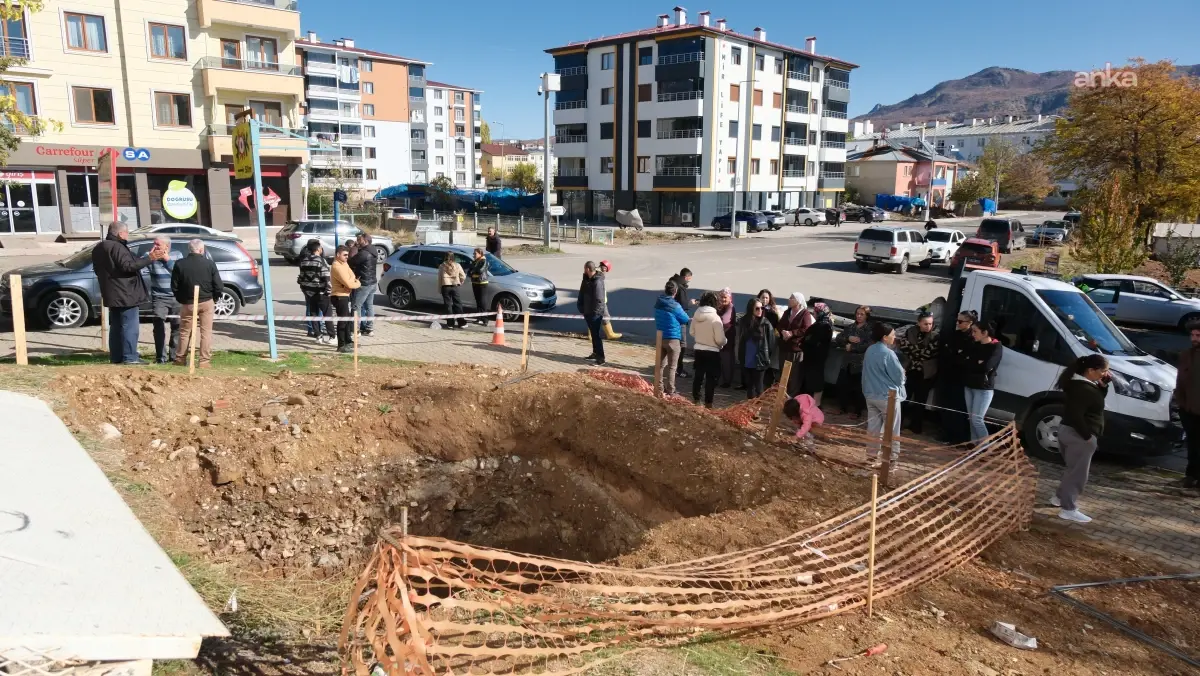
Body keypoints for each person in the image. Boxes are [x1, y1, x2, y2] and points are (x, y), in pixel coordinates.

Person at [92, 222, 164, 364]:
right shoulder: (117, 247)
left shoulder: (100, 247)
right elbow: (128, 266)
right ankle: (130, 357)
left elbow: (100, 268)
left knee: (116, 326)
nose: (127, 235)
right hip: (126, 293)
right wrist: (151, 258)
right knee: (130, 326)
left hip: (112, 293)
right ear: (120, 233)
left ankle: (116, 357)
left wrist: (147, 257)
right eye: (126, 232)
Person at [1053, 354, 1111, 523]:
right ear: (1091, 370)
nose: (1105, 374)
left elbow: (1094, 402)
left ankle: (1059, 498)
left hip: (1068, 431)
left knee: (1072, 469)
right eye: (1103, 371)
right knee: (1077, 475)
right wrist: (1087, 437)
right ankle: (1068, 509)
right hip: (1078, 436)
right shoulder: (1083, 389)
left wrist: (1103, 387)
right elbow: (1076, 414)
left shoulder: (1079, 385)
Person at [170, 239, 223, 368]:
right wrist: (214, 298)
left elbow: (174, 286)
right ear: (201, 250)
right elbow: (219, 286)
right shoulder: (209, 264)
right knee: (206, 332)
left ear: (189, 250)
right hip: (206, 301)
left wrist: (181, 299)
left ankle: (180, 359)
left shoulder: (179, 264)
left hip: (188, 303)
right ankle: (204, 361)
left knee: (184, 332)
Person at [862, 322, 905, 462]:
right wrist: (903, 376)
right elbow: (898, 377)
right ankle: (891, 459)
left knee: (873, 429)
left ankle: (871, 456)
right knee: (892, 429)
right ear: (885, 337)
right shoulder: (888, 353)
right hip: (887, 397)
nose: (895, 337)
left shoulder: (869, 350)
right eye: (893, 335)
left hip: (870, 393)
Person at [898, 311, 940, 434]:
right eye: (925, 324)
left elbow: (928, 353)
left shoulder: (936, 335)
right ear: (919, 323)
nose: (928, 326)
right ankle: (897, 423)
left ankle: (915, 427)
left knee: (920, 401)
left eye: (930, 324)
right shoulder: (911, 331)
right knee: (903, 398)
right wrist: (918, 350)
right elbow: (904, 347)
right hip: (911, 370)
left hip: (925, 373)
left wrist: (913, 349)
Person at [939, 310, 977, 443]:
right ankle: (947, 434)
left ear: (970, 323)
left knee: (958, 408)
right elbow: (947, 352)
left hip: (961, 378)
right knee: (946, 406)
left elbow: (964, 358)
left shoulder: (972, 338)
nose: (957, 323)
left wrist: (956, 355)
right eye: (957, 320)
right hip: (949, 375)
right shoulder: (955, 335)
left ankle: (957, 437)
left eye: (960, 321)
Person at [963, 320, 1004, 441]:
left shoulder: (996, 347)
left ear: (985, 333)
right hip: (969, 385)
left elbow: (987, 366)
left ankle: (984, 447)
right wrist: (977, 363)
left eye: (975, 331)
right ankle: (974, 445)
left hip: (983, 388)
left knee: (977, 419)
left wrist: (976, 363)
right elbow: (966, 362)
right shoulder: (975, 344)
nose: (972, 334)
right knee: (971, 418)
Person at [147, 236, 181, 364]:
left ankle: (174, 356)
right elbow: (139, 268)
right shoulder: (150, 256)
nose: (155, 247)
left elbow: (179, 273)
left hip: (176, 296)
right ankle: (161, 357)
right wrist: (149, 259)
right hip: (159, 296)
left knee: (177, 326)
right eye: (154, 244)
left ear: (167, 246)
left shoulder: (177, 255)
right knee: (158, 325)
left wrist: (168, 260)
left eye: (158, 245)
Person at [834, 306, 873, 417]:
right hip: (847, 362)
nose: (859, 316)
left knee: (858, 388)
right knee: (842, 385)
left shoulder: (869, 330)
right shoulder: (850, 327)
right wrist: (847, 339)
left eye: (862, 314)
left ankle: (857, 411)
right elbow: (838, 338)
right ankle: (842, 407)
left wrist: (853, 347)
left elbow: (869, 345)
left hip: (860, 362)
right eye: (857, 314)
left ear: (867, 316)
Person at [654, 280, 691, 396]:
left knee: (660, 366)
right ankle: (671, 390)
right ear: (675, 292)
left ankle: (659, 388)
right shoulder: (675, 306)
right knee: (672, 367)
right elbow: (685, 318)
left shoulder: (658, 303)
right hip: (673, 338)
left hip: (660, 337)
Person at [689, 291, 726, 408]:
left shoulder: (696, 314)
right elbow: (720, 339)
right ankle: (708, 403)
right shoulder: (715, 318)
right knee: (711, 378)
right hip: (712, 352)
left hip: (699, 350)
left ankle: (696, 399)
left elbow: (691, 332)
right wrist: (724, 342)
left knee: (698, 375)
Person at [1175, 323, 1200, 490]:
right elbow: (1180, 382)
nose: (1194, 339)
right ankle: (1191, 475)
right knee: (1192, 445)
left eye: (1198, 336)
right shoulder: (1186, 355)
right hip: (1189, 410)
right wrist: (1182, 405)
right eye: (1193, 335)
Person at [298, 240, 335, 345]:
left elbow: (301, 277)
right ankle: (332, 336)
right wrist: (328, 291)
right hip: (321, 292)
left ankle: (318, 336)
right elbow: (326, 277)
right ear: (318, 249)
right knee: (327, 314)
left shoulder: (304, 261)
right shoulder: (321, 261)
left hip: (309, 292)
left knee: (313, 314)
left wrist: (305, 289)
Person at [778, 292, 815, 395]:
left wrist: (792, 333)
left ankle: (792, 396)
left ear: (798, 301)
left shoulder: (805, 314)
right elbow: (780, 325)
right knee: (783, 373)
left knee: (794, 375)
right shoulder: (787, 312)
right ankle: (782, 395)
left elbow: (806, 328)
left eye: (792, 298)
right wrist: (783, 332)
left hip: (796, 349)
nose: (789, 299)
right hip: (784, 347)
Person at [736, 297, 773, 400]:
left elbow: (771, 342)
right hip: (747, 358)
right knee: (749, 387)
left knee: (759, 387)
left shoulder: (766, 323)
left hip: (760, 359)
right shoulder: (744, 322)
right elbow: (740, 339)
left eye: (762, 308)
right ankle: (750, 407)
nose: (760, 310)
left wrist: (766, 356)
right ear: (751, 309)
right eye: (757, 308)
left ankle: (758, 408)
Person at [799, 302, 835, 406]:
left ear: (820, 313)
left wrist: (803, 342)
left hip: (816, 358)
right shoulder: (823, 324)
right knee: (812, 380)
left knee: (816, 381)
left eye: (815, 312)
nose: (813, 313)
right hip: (814, 357)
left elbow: (811, 340)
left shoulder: (823, 326)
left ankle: (816, 405)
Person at [331, 245, 361, 354]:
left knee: (347, 320)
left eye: (347, 255)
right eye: (344, 255)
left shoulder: (344, 263)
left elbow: (352, 275)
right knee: (343, 321)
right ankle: (341, 345)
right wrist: (357, 283)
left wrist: (352, 281)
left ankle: (348, 341)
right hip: (339, 296)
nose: (347, 257)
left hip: (345, 295)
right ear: (338, 255)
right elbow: (349, 283)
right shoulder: (337, 266)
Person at [578, 261, 606, 366]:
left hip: (595, 313)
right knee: (594, 335)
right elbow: (582, 293)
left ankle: (601, 358)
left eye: (584, 269)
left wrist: (595, 313)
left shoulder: (597, 281)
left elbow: (599, 299)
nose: (584, 271)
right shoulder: (587, 279)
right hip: (587, 311)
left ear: (588, 269)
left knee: (596, 335)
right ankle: (595, 353)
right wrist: (581, 306)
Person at [670, 268, 698, 377]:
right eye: (689, 279)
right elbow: (683, 305)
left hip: (674, 320)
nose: (689, 281)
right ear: (686, 277)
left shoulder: (674, 283)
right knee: (682, 344)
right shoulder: (680, 288)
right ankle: (679, 369)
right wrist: (690, 303)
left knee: (675, 343)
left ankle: (674, 367)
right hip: (680, 320)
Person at [349, 233, 377, 337]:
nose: (357, 241)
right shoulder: (373, 250)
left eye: (359, 240)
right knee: (369, 306)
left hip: (364, 283)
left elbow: (351, 261)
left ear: (365, 241)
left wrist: (355, 248)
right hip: (372, 282)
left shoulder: (364, 253)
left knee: (356, 306)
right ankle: (370, 329)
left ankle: (356, 330)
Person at [757, 290, 782, 387]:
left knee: (767, 363)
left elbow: (775, 327)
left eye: (766, 298)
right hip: (757, 340)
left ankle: (766, 384)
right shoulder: (755, 309)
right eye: (762, 297)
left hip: (768, 341)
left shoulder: (772, 312)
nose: (764, 299)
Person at [438, 252, 467, 329]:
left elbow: (440, 278)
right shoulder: (457, 265)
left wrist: (439, 288)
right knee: (458, 304)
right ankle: (461, 323)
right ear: (453, 257)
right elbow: (463, 276)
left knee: (448, 305)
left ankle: (450, 324)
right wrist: (460, 282)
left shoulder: (442, 266)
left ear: (445, 257)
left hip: (445, 286)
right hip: (455, 286)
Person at [717, 288, 737, 388]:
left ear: (730, 298)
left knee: (727, 360)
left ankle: (727, 381)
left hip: (727, 338)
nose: (723, 299)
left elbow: (724, 321)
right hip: (719, 338)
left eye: (725, 297)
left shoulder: (730, 307)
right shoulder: (720, 307)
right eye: (721, 297)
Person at [599, 260, 622, 340]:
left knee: (594, 317)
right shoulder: (599, 276)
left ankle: (591, 335)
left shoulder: (596, 274)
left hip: (597, 301)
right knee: (605, 317)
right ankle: (610, 334)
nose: (605, 272)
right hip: (600, 302)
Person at [469, 247, 490, 326]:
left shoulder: (483, 261)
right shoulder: (475, 261)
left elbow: (480, 271)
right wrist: (473, 271)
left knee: (482, 302)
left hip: (482, 283)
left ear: (480, 254)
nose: (474, 255)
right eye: (473, 253)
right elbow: (469, 271)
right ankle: (479, 318)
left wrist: (473, 271)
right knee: (478, 301)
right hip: (475, 282)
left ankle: (485, 319)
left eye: (475, 253)